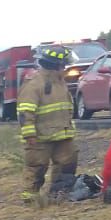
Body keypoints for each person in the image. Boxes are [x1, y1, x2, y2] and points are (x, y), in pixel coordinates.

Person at [16, 44, 78, 203]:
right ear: (57, 64)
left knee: (67, 164)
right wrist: (29, 134)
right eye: (64, 63)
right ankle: (30, 200)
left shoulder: (59, 81)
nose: (65, 67)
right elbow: (25, 112)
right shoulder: (34, 84)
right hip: (40, 136)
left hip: (63, 133)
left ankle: (58, 195)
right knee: (37, 167)